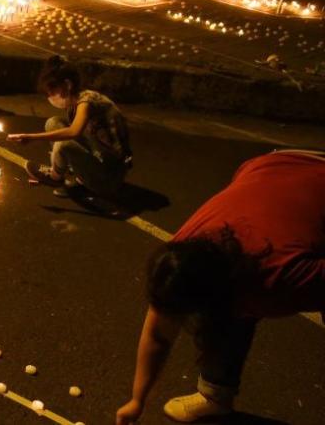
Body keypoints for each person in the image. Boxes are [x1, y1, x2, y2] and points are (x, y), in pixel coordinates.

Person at [115, 150, 325, 424]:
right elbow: (158, 335)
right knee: (227, 320)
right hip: (273, 166)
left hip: (298, 182)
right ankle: (215, 396)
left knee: (228, 319)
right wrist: (137, 400)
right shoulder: (184, 252)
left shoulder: (281, 278)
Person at [7, 56, 131, 198]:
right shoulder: (77, 100)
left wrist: (30, 137)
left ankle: (55, 178)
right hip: (98, 158)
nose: (51, 97)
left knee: (63, 143)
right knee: (53, 123)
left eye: (53, 92)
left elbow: (73, 132)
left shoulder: (86, 103)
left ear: (67, 85)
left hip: (108, 178)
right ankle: (73, 175)